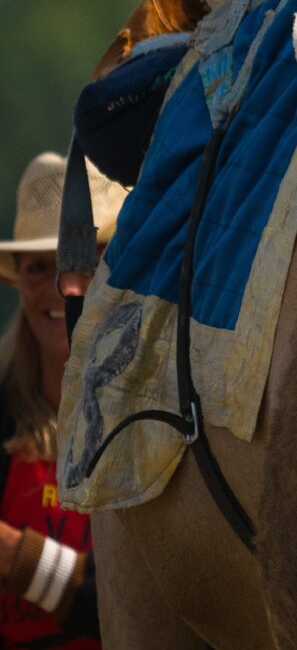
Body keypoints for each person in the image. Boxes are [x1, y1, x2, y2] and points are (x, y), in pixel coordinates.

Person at [0, 151, 126, 647]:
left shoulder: (173, 413)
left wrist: (14, 555)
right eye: (38, 267)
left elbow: (134, 605)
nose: (63, 288)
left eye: (83, 261)